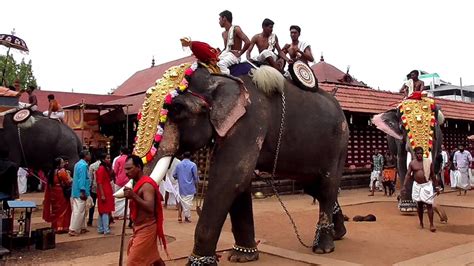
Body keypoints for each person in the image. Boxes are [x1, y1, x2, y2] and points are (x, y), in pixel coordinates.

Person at [124, 155, 166, 266]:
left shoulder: (146, 185)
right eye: (125, 169)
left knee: (132, 262)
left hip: (146, 228)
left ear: (138, 167)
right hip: (139, 228)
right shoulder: (136, 183)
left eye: (129, 169)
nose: (126, 172)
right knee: (154, 258)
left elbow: (150, 207)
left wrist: (133, 196)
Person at [403, 146, 440, 232]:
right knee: (419, 205)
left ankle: (431, 224)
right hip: (417, 186)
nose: (419, 155)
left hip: (426, 185)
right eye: (418, 153)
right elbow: (408, 175)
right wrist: (404, 186)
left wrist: (436, 186)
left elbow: (433, 175)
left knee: (429, 205)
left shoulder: (428, 162)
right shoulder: (412, 163)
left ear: (423, 154)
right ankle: (421, 222)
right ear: (415, 154)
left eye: (421, 153)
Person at [43, 158, 72, 234]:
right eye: (62, 163)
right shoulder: (62, 172)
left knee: (55, 209)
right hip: (61, 193)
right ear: (58, 164)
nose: (63, 164)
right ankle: (62, 226)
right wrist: (68, 174)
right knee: (63, 209)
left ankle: (55, 226)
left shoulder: (51, 172)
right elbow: (68, 182)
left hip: (53, 193)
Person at [217, 10, 251, 74]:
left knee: (221, 64)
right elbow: (226, 48)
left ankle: (228, 80)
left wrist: (240, 53)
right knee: (213, 62)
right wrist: (219, 53)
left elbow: (248, 42)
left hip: (234, 56)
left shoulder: (236, 29)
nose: (219, 22)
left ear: (224, 18)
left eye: (219, 19)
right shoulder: (223, 33)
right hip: (226, 54)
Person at [69, 150, 91, 236]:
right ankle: (73, 229)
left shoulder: (78, 164)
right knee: (78, 211)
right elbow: (82, 179)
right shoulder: (83, 166)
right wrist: (83, 191)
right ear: (85, 156)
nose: (90, 156)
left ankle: (82, 227)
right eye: (89, 154)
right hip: (80, 191)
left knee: (81, 210)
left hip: (76, 191)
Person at [173, 152, 199, 223]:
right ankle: (186, 217)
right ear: (190, 157)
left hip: (181, 187)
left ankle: (179, 216)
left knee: (181, 201)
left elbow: (174, 175)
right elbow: (196, 177)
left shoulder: (178, 165)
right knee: (187, 203)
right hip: (190, 187)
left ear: (183, 156)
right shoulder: (193, 165)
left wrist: (179, 178)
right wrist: (197, 184)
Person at [96, 153, 114, 235]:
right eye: (107, 158)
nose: (109, 159)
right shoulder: (101, 169)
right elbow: (99, 183)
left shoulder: (105, 168)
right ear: (103, 159)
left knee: (102, 211)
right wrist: (102, 195)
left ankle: (101, 228)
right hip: (104, 191)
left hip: (105, 190)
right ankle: (105, 229)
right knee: (105, 211)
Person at [113, 146, 130, 219]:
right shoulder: (130, 159)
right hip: (128, 180)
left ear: (121, 152)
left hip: (119, 180)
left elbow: (115, 171)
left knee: (118, 197)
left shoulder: (118, 159)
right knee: (128, 198)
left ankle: (117, 214)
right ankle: (127, 214)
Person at [87, 155, 101, 226]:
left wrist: (89, 186)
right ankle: (103, 220)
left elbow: (90, 178)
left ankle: (90, 220)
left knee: (92, 204)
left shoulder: (92, 166)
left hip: (94, 187)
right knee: (102, 204)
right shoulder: (104, 165)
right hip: (102, 187)